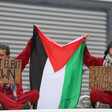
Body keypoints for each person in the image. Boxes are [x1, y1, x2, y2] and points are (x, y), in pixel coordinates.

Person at [0, 38, 39, 110]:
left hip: (19, 98)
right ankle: (20, 107)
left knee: (35, 93)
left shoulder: (15, 64)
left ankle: (9, 107)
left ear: (7, 56)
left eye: (1, 55)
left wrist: (33, 39)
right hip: (6, 99)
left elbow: (26, 54)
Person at [83, 33, 112, 108]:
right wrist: (83, 44)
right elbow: (88, 59)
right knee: (94, 92)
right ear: (108, 49)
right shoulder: (101, 62)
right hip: (105, 96)